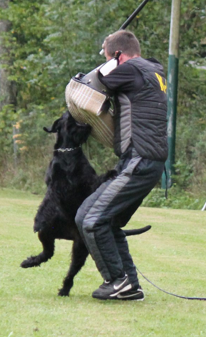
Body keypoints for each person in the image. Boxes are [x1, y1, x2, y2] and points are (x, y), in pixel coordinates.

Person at [75, 30, 168, 301]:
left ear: (118, 56)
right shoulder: (151, 70)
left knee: (91, 219)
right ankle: (129, 285)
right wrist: (111, 53)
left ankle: (118, 281)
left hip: (140, 160)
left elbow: (92, 83)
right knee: (106, 220)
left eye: (109, 57)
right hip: (145, 161)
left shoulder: (131, 70)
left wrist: (108, 59)